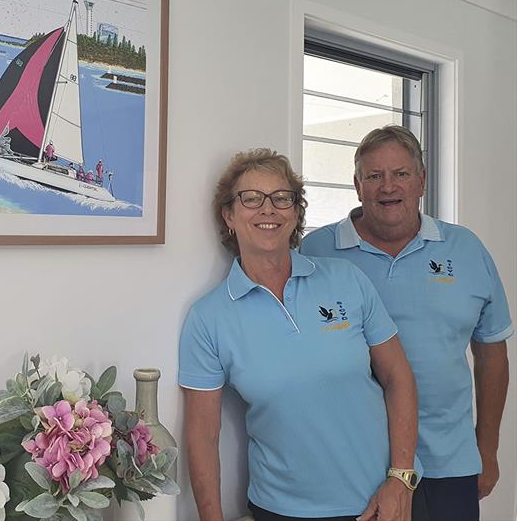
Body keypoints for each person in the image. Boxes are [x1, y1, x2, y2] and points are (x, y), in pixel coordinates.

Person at [179, 149, 424, 521]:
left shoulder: (347, 280)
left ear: (296, 213)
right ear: (229, 215)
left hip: (381, 503)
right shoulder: (208, 318)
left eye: (282, 198)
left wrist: (401, 479)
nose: (268, 209)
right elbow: (202, 436)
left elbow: (398, 377)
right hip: (282, 510)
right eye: (251, 199)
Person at [301, 126, 512, 521]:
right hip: (352, 462)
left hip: (449, 460)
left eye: (400, 173)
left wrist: (487, 448)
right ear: (357, 185)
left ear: (421, 181)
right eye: (374, 176)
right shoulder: (317, 252)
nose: (388, 187)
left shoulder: (466, 249)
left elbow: (492, 354)